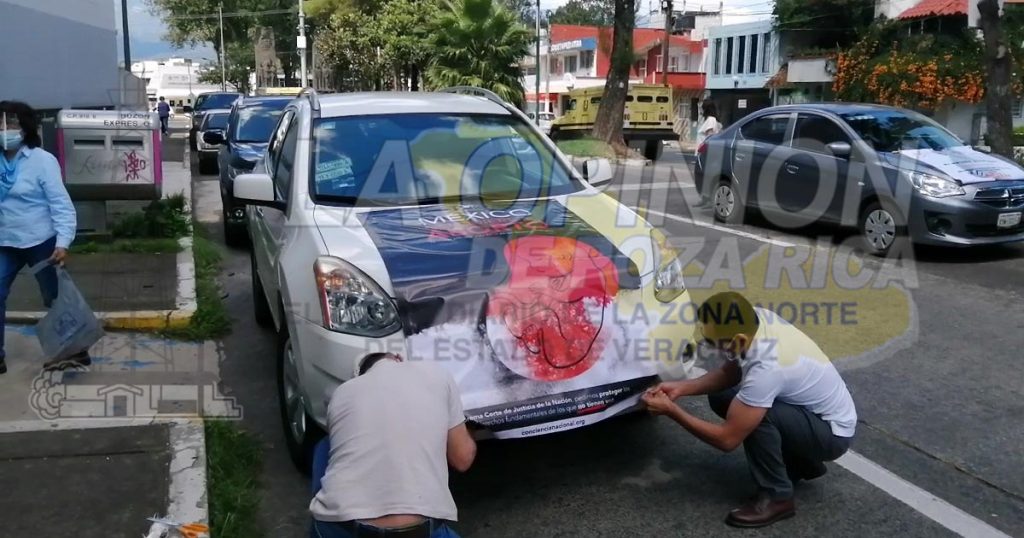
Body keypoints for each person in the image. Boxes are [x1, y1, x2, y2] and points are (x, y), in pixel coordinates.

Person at [642, 292, 856, 528]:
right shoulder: (756, 320)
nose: (710, 347)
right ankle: (801, 462)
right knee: (724, 396)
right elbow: (730, 374)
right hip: (810, 414)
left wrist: (672, 411)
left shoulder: (768, 368)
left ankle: (777, 498)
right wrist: (681, 388)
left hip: (831, 434)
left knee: (759, 417)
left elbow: (727, 440)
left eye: (713, 342)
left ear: (739, 339)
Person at [310, 352, 477, 538]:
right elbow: (462, 459)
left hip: (342, 527)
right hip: (417, 532)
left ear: (360, 375)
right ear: (398, 358)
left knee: (325, 445)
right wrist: (465, 428)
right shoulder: (437, 373)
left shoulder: (342, 392)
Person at [0, 101, 89, 374]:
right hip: (5, 241)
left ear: (25, 128)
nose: (4, 129)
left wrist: (63, 242)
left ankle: (75, 351)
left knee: (55, 297)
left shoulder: (42, 161)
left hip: (41, 241)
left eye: (11, 123)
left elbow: (60, 204)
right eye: (0, 124)